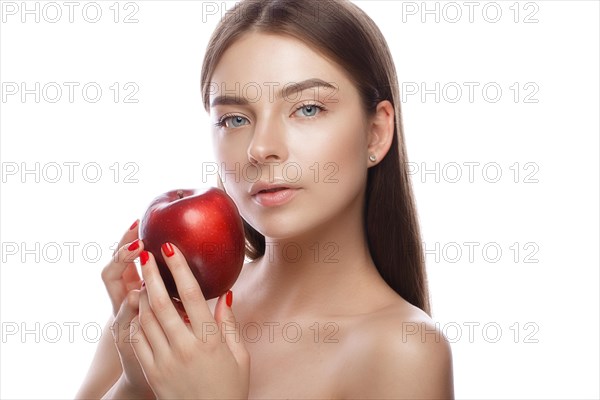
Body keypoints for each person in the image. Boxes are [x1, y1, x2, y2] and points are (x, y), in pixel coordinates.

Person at [76, 0, 454, 398]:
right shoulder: (176, 308)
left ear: (376, 133)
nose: (261, 148)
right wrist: (136, 384)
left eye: (307, 109)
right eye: (235, 119)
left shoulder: (404, 349)